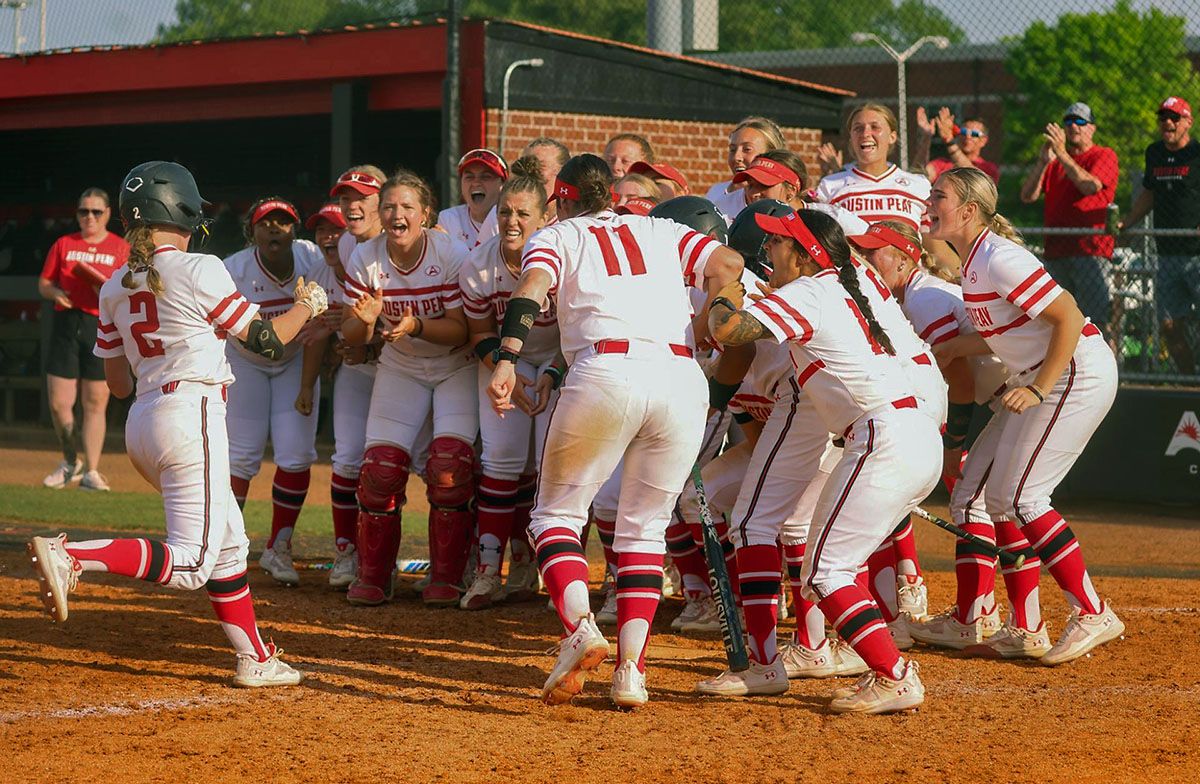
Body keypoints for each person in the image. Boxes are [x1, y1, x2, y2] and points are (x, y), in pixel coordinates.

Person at [27, 160, 325, 686]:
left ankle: (256, 658)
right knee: (191, 563)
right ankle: (70, 553)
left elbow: (117, 385)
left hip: (142, 423)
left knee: (229, 543)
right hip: (191, 415)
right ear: (184, 211)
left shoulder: (116, 284)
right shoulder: (201, 267)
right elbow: (266, 340)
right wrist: (306, 306)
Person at [487, 153, 743, 708]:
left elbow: (532, 286)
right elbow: (727, 262)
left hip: (605, 371)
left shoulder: (560, 234)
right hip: (679, 376)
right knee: (644, 532)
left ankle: (579, 629)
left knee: (554, 516)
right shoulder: (663, 227)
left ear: (565, 198)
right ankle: (632, 671)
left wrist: (508, 355)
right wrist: (713, 318)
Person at [703, 209, 942, 714]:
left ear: (806, 252)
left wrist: (731, 286)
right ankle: (777, 662)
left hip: (881, 436)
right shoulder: (841, 286)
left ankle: (894, 674)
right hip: (904, 431)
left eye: (777, 244)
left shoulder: (811, 291)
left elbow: (727, 328)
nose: (768, 252)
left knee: (826, 569)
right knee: (821, 561)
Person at [930, 166, 1124, 665]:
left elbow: (1069, 318)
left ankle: (1092, 611)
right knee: (979, 493)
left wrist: (1038, 388)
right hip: (1044, 374)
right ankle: (1027, 625)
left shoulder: (998, 258)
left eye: (939, 196)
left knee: (1023, 495)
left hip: (1072, 371)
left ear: (969, 211)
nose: (930, 203)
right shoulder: (973, 261)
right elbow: (1007, 328)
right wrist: (954, 348)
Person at [850, 220, 1051, 658]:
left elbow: (959, 381)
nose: (864, 262)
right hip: (1012, 400)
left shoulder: (923, 299)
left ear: (905, 258)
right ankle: (1000, 615)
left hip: (1020, 397)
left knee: (976, 502)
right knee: (988, 503)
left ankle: (978, 616)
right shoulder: (914, 297)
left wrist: (952, 446)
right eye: (861, 254)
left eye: (874, 253)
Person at [341, 170, 476, 607]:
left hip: (455, 365)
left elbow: (460, 331)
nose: (396, 214)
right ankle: (375, 575)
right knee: (380, 470)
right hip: (400, 364)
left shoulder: (451, 252)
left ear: (426, 215)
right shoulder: (366, 257)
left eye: (406, 207)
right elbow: (353, 338)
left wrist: (415, 324)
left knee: (449, 470)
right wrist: (363, 319)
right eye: (389, 207)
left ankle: (449, 576)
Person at [458, 156, 560, 610]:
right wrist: (507, 369)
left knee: (552, 467)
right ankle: (487, 571)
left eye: (523, 213)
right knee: (500, 459)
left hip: (563, 360)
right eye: (505, 212)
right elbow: (478, 333)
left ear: (545, 217)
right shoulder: (478, 265)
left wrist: (553, 372)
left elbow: (582, 328)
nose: (512, 221)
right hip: (505, 362)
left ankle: (538, 566)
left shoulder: (565, 255)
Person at [223, 198, 325, 587]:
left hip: (296, 357)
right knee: (241, 455)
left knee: (296, 453)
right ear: (252, 232)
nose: (275, 229)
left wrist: (305, 386)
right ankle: (225, 544)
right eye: (266, 223)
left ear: (295, 231)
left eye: (284, 222)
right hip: (245, 360)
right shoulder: (234, 268)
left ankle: (278, 546)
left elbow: (316, 329)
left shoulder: (311, 258)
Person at [310, 166, 388, 589]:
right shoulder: (345, 245)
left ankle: (458, 561)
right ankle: (348, 550)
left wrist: (365, 341)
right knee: (346, 460)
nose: (351, 205)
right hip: (359, 367)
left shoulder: (405, 239)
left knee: (435, 464)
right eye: (345, 197)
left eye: (361, 196)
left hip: (410, 364)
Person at [38, 187, 130, 491]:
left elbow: (128, 288)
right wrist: (56, 293)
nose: (89, 217)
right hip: (67, 321)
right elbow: (45, 283)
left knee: (95, 401)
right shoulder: (63, 244)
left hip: (99, 323)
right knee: (59, 403)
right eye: (83, 211)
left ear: (107, 215)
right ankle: (69, 460)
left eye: (96, 211)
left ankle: (91, 470)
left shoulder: (120, 247)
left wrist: (103, 291)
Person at [1019, 101, 1118, 336]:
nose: (1074, 126)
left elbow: (1089, 187)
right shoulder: (1054, 163)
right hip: (1056, 251)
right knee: (1055, 321)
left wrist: (1062, 153)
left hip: (1090, 252)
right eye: (1069, 121)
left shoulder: (1103, 155)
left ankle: (1107, 369)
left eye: (1081, 121)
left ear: (1092, 128)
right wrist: (1044, 162)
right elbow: (1027, 196)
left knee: (1095, 321)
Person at [1120, 96, 1200, 375]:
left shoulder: (1196, 154)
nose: (1167, 122)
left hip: (1197, 254)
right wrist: (1127, 223)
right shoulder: (1154, 153)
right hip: (1166, 254)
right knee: (1168, 325)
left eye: (1174, 117)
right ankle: (1191, 382)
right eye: (1163, 117)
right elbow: (1150, 192)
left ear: (1188, 122)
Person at [706, 116, 787, 223]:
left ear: (771, 153)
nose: (736, 157)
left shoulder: (789, 199)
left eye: (747, 149)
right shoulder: (716, 195)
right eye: (732, 149)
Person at [437, 149, 508, 249]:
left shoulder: (512, 221)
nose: (476, 183)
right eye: (469, 177)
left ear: (503, 185)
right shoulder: (449, 219)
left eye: (486, 177)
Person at [913, 106, 1000, 185]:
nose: (967, 136)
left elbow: (973, 177)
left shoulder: (988, 168)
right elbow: (918, 177)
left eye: (974, 134)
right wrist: (926, 139)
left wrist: (949, 141)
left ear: (984, 141)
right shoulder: (941, 164)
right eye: (963, 132)